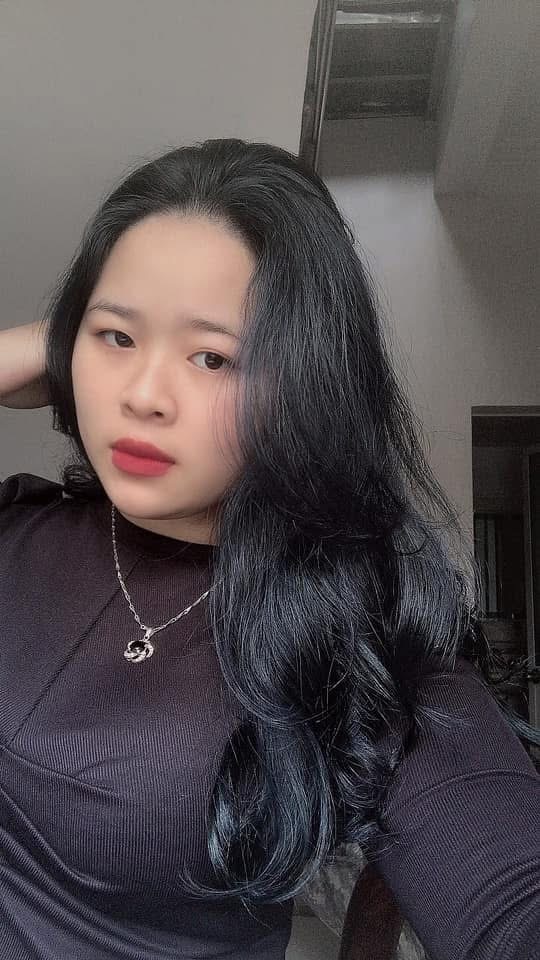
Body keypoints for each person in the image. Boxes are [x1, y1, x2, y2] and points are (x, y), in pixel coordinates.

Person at [0, 137, 538, 960]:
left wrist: (117, 330)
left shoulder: (352, 634)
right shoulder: (20, 526)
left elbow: (510, 893)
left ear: (306, 381)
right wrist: (46, 341)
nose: (143, 395)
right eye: (115, 339)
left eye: (212, 357)